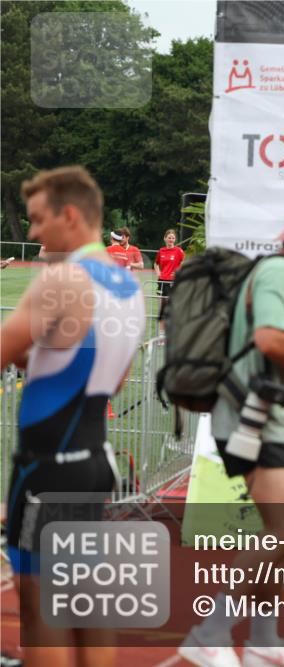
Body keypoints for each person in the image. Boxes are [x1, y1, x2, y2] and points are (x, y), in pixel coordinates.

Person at [179, 198, 284, 667]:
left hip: (265, 418)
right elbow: (270, 339)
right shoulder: (283, 274)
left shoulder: (279, 274)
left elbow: (275, 356)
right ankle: (209, 632)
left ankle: (262, 640)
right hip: (254, 420)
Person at [1, 166, 145, 667]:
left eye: (39, 220)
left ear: (69, 214)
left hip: (47, 465)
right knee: (86, 604)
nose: (34, 232)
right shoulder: (129, 289)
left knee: (41, 616)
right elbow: (110, 381)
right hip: (92, 460)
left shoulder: (63, 281)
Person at [154, 228, 185, 301]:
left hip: (173, 280)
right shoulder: (161, 250)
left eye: (173, 238)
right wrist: (158, 273)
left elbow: (184, 263)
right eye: (169, 238)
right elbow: (156, 263)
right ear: (165, 238)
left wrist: (178, 272)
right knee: (161, 302)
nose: (171, 240)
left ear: (175, 239)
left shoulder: (179, 251)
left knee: (171, 302)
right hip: (162, 280)